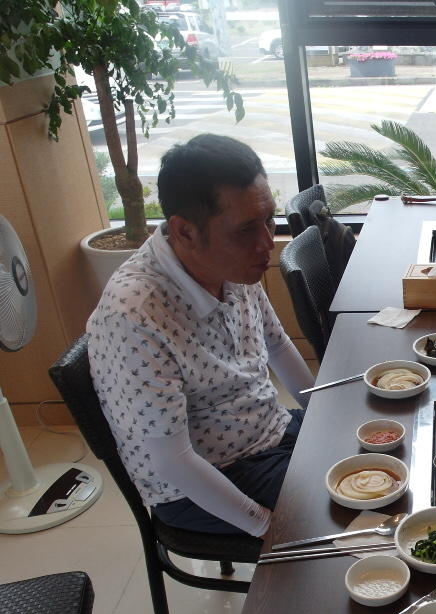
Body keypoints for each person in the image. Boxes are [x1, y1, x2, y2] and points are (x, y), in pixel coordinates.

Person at [87, 134, 315, 538]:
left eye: (268, 219)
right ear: (185, 231)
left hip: (269, 431)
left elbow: (277, 345)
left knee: (377, 450)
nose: (266, 243)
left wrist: (322, 418)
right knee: (352, 506)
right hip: (203, 481)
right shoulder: (135, 313)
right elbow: (173, 461)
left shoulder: (232, 264)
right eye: (246, 229)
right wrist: (269, 526)